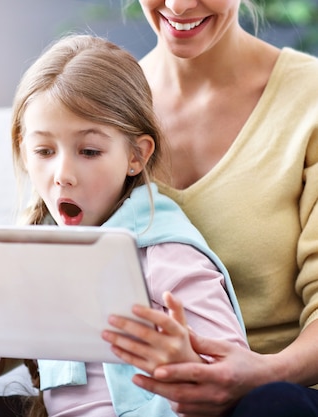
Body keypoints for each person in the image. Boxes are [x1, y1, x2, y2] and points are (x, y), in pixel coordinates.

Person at [0, 34, 248, 417]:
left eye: (89, 151)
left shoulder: (169, 254)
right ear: (23, 151)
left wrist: (187, 369)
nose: (63, 175)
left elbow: (232, 384)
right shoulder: (21, 256)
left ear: (136, 155)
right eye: (44, 151)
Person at [102, 0, 318, 416]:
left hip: (282, 392)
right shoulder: (99, 104)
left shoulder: (309, 98)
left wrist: (263, 372)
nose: (180, 5)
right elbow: (46, 270)